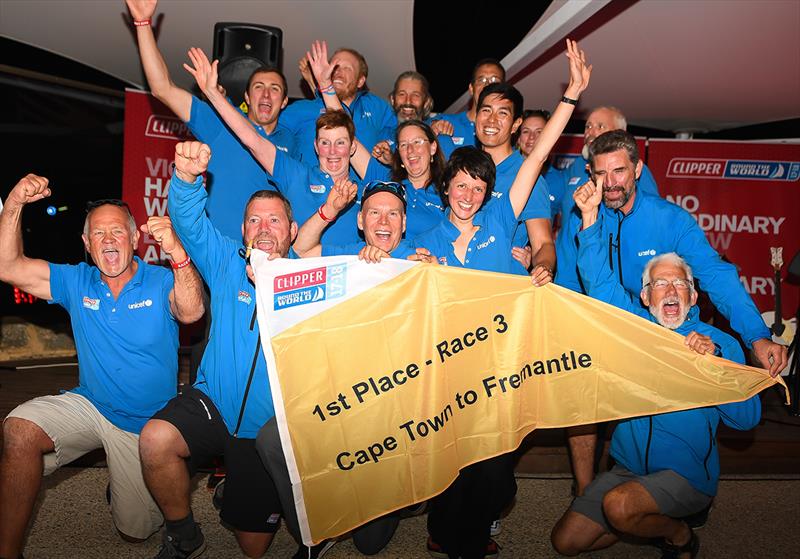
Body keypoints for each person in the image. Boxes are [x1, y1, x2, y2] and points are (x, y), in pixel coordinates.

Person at [418, 39, 591, 559]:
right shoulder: (430, 230)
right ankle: (453, 534)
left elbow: (538, 157)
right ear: (447, 187)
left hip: (498, 357)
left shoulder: (500, 215)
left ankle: (472, 530)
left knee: (493, 467)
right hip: (445, 362)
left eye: (478, 186)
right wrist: (412, 265)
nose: (468, 192)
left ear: (488, 190)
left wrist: (571, 96)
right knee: (447, 457)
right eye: (460, 185)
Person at [559, 129, 788, 498]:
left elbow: (715, 274)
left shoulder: (670, 220)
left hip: (654, 330)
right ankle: (585, 489)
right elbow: (570, 278)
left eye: (619, 171)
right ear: (590, 173)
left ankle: (674, 489)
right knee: (583, 402)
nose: (610, 184)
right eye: (601, 174)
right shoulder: (580, 216)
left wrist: (756, 335)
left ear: (637, 169)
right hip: (599, 320)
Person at [550, 178, 762, 559]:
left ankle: (679, 534)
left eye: (679, 283)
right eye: (659, 283)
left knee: (619, 507)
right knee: (565, 543)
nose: (669, 291)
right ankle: (638, 519)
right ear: (645, 297)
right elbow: (598, 279)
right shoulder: (633, 327)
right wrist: (590, 214)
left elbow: (747, 420)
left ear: (693, 295)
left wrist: (713, 367)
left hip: (685, 477)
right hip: (629, 468)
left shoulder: (719, 344)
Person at [0, 177, 203, 559]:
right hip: (91, 406)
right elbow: (8, 267)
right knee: (19, 430)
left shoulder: (161, 280)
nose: (108, 240)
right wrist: (13, 203)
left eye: (117, 231)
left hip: (143, 427)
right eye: (98, 233)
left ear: (134, 239)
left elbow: (192, 310)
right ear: (87, 244)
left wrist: (177, 252)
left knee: (135, 532)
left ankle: (159, 471)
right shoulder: (77, 280)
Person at [138, 141, 296, 559]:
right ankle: (183, 532)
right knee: (155, 440)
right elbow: (188, 222)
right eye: (254, 220)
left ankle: (238, 489)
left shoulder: (310, 279)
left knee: (253, 549)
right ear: (243, 230)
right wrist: (187, 178)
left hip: (262, 430)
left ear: (292, 231)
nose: (264, 228)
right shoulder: (227, 260)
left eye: (275, 220)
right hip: (212, 404)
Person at [126, 0, 295, 241]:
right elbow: (162, 88)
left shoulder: (294, 140)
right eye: (258, 87)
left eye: (274, 89)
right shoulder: (221, 125)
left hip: (274, 260)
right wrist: (142, 24)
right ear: (247, 96)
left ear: (285, 101)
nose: (266, 94)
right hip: (219, 261)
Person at [184, 47, 366, 245]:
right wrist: (213, 94)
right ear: (315, 147)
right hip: (296, 273)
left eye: (340, 143)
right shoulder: (296, 175)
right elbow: (252, 139)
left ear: (352, 148)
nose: (332, 151)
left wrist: (323, 85)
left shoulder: (366, 189)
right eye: (324, 142)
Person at [473, 83, 554, 281]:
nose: (491, 120)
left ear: (516, 124)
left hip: (503, 288)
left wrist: (543, 267)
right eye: (486, 110)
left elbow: (543, 244)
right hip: (459, 283)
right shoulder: (463, 167)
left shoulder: (527, 176)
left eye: (502, 113)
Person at [279, 44, 396, 164]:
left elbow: (398, 135)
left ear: (360, 81)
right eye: (334, 67)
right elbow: (268, 129)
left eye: (347, 68)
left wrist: (388, 145)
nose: (339, 72)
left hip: (364, 182)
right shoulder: (302, 109)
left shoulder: (375, 106)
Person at [431, 58, 506, 153]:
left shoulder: (506, 129)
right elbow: (417, 128)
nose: (487, 85)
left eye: (494, 80)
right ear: (471, 88)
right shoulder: (446, 122)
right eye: (481, 80)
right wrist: (432, 125)